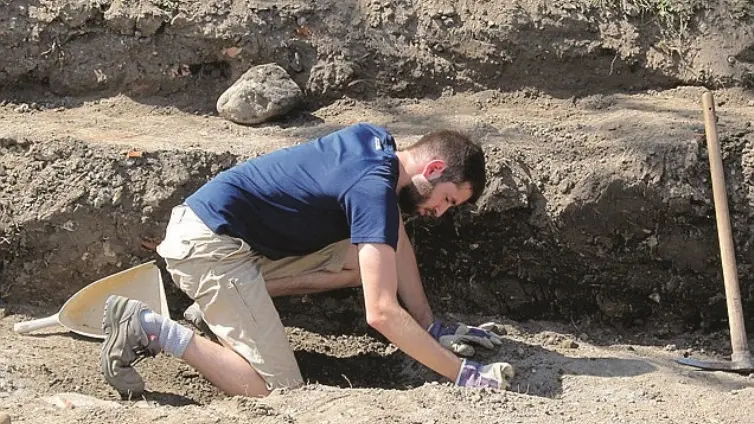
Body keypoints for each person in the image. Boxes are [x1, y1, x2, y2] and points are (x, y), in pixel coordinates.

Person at [99, 122, 515, 398]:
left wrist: (431, 327)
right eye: (446, 199)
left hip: (230, 237)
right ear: (435, 167)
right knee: (276, 391)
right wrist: (463, 374)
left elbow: (393, 237)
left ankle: (224, 310)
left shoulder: (378, 145)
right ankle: (150, 328)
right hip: (209, 249)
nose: (439, 212)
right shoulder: (373, 188)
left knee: (370, 261)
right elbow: (381, 313)